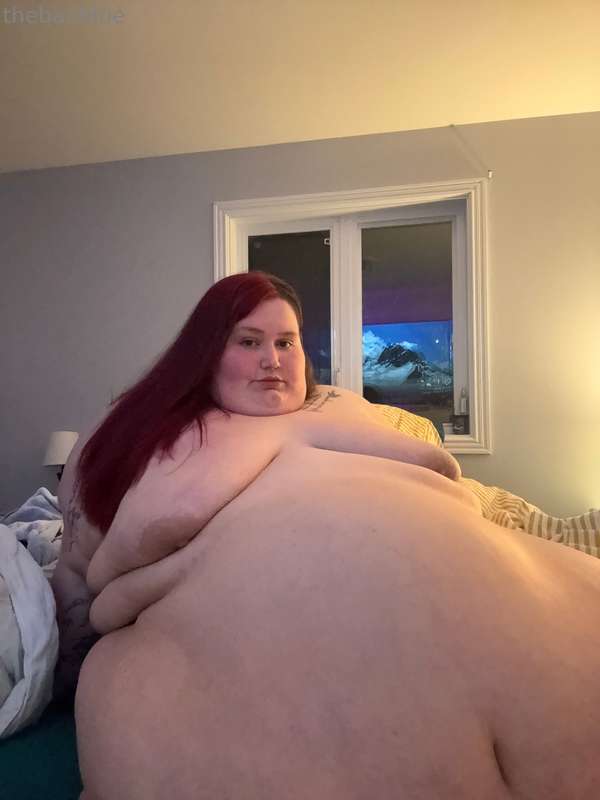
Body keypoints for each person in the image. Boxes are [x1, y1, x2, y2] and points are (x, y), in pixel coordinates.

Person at [52, 272, 600, 800]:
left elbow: (454, 481)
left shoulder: (344, 407)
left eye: (286, 342)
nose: (272, 360)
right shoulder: (150, 432)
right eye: (249, 342)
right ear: (206, 354)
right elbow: (78, 571)